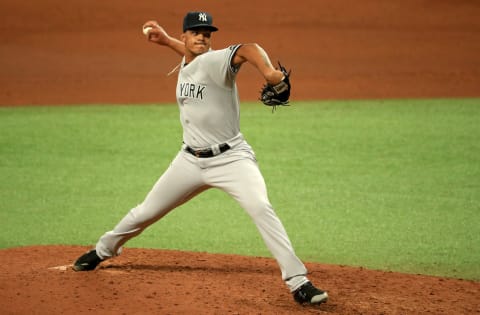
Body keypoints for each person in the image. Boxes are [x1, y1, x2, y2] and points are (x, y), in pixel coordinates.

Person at [73, 11, 328, 305]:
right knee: (145, 212)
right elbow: (191, 58)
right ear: (185, 36)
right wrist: (167, 41)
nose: (202, 37)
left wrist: (270, 73)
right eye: (195, 32)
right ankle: (103, 250)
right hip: (189, 161)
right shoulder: (189, 60)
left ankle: (298, 282)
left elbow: (249, 49)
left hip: (232, 160)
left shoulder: (216, 60)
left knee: (261, 207)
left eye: (206, 33)